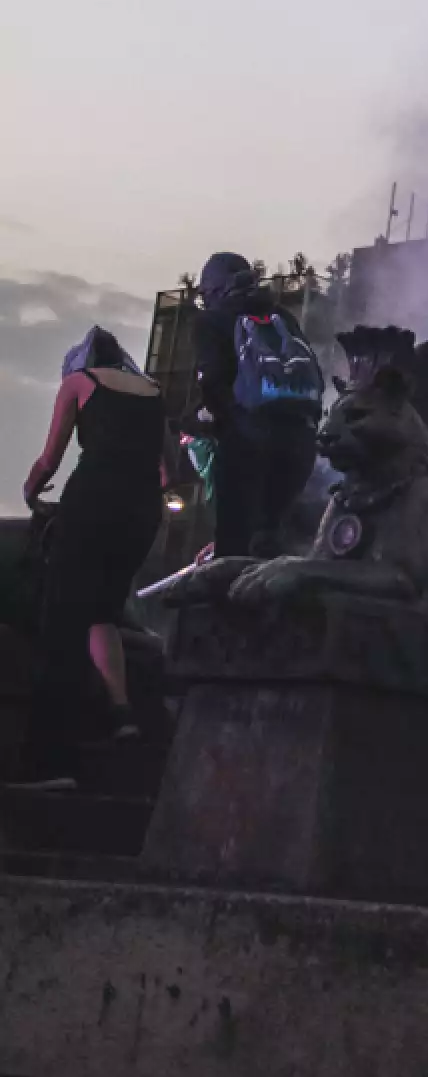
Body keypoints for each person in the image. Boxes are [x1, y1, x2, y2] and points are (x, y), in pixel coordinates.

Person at [11, 327, 172, 788]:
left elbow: (49, 460)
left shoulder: (79, 383)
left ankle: (49, 763)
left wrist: (31, 493)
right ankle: (122, 713)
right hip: (141, 516)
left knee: (59, 623)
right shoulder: (153, 391)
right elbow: (168, 472)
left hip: (92, 504)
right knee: (102, 612)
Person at [192, 251, 323, 560]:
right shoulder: (283, 318)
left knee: (234, 547)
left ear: (214, 289)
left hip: (248, 442)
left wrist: (226, 423)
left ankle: (230, 606)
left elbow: (212, 382)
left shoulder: (211, 321)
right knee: (275, 540)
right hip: (301, 444)